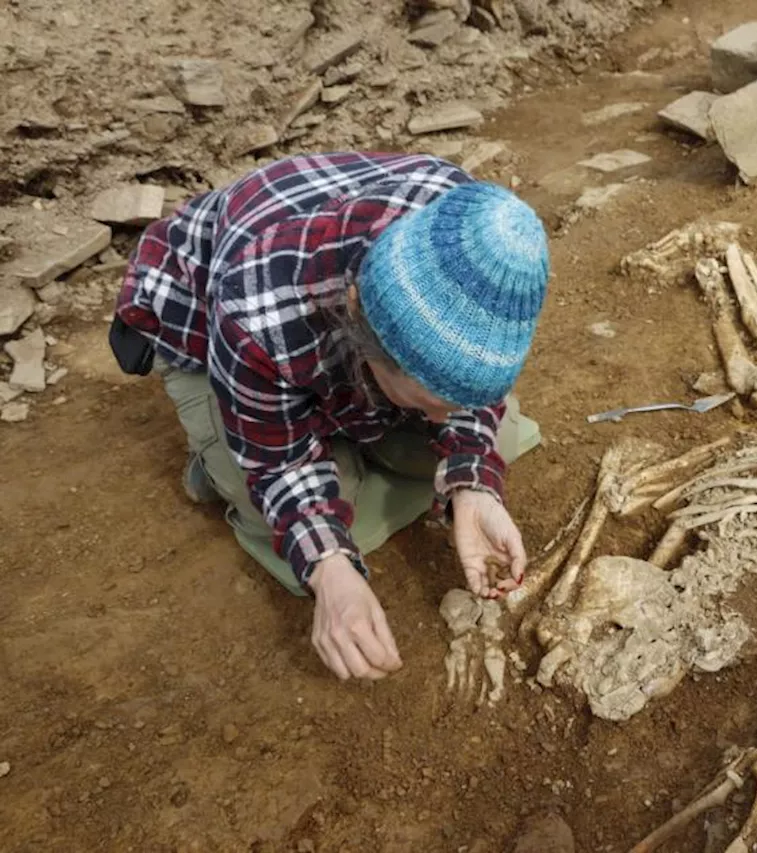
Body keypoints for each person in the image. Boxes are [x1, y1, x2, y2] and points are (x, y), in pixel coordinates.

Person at [110, 152, 550, 681]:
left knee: (503, 432)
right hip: (200, 316)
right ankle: (220, 454)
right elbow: (282, 468)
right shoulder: (257, 310)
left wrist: (473, 483)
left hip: (328, 330)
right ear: (359, 319)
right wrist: (331, 571)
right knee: (312, 544)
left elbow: (472, 400)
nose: (445, 416)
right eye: (428, 399)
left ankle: (340, 443)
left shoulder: (473, 232)